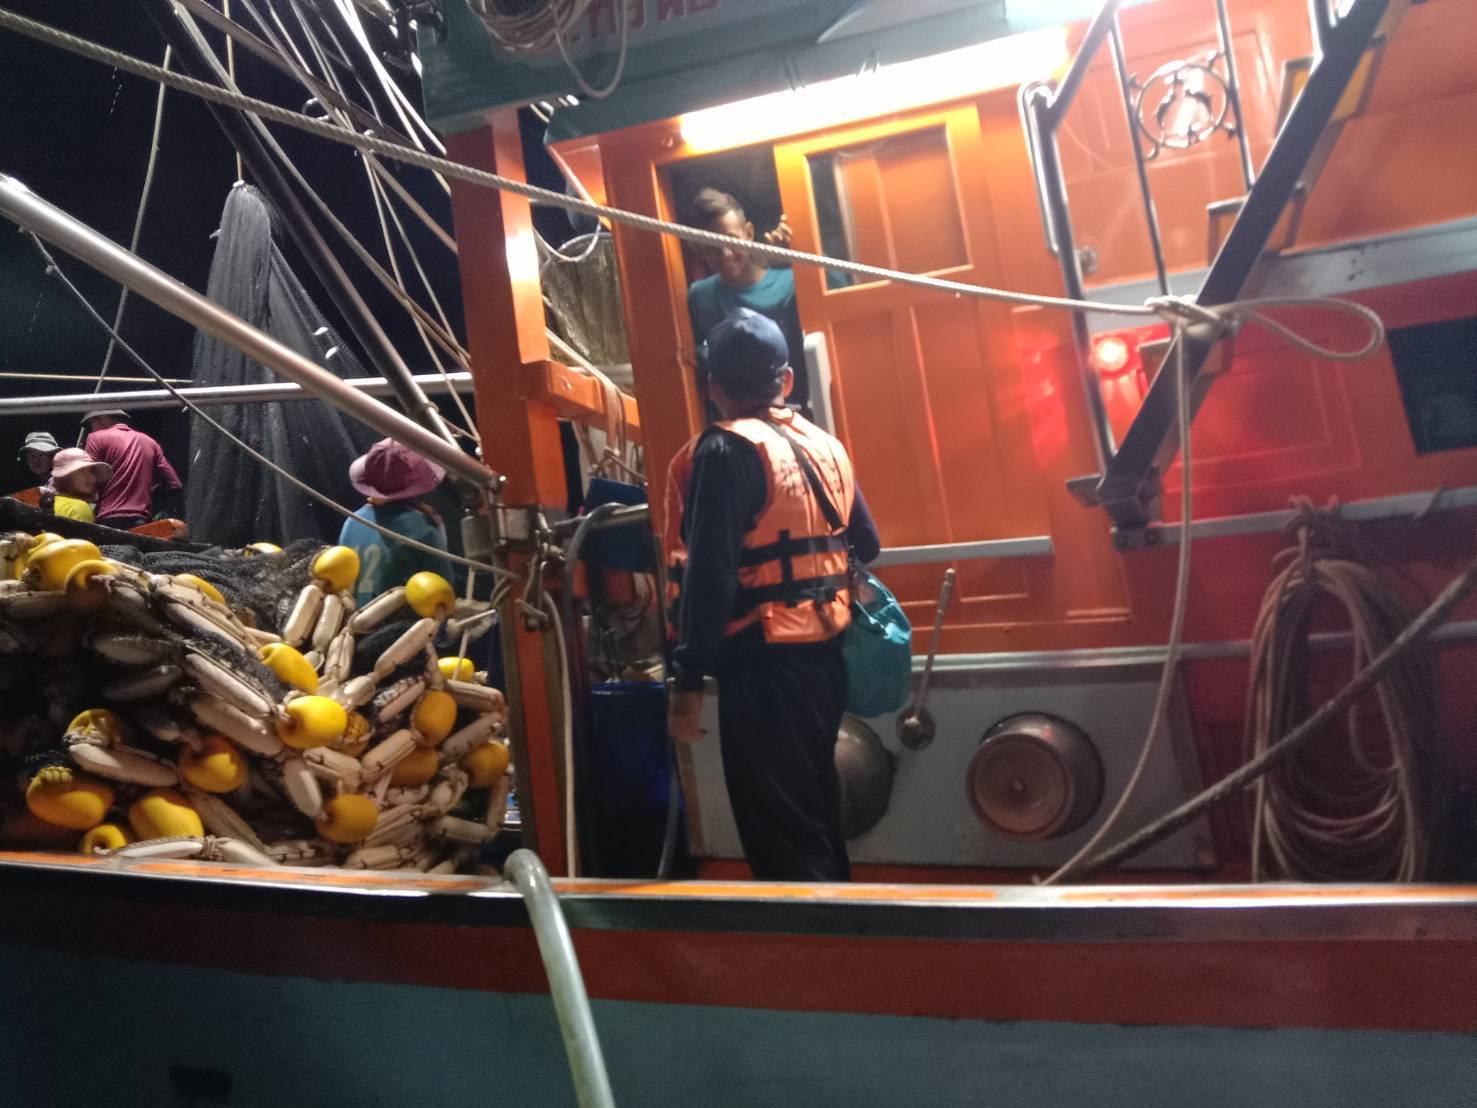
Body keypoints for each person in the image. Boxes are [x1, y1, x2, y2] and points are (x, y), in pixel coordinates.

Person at [664, 308, 880, 882]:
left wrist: (688, 682)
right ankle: (846, 926)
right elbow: (869, 542)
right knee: (818, 815)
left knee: (781, 836)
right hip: (824, 661)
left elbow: (710, 574)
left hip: (763, 669)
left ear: (713, 388)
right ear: (785, 379)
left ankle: (812, 938)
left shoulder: (724, 451)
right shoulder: (824, 445)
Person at [685, 188, 809, 412]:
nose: (725, 253)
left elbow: (838, 290)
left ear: (749, 233)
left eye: (731, 240)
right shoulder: (700, 296)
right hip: (731, 419)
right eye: (712, 246)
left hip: (791, 412)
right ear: (700, 249)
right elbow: (690, 361)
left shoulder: (790, 283)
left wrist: (798, 258)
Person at [338, 438, 454, 606]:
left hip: (354, 619)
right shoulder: (424, 527)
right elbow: (444, 593)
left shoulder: (351, 522)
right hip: (407, 622)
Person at [81, 409, 183, 529]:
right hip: (142, 521)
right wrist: (146, 497)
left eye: (91, 422)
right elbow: (174, 485)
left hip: (108, 518)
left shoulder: (95, 437)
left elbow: (86, 480)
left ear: (103, 418)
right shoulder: (150, 442)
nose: (91, 428)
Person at [45, 448, 112, 524]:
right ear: (65, 476)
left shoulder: (43, 503)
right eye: (82, 471)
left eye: (92, 471)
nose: (91, 477)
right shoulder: (79, 508)